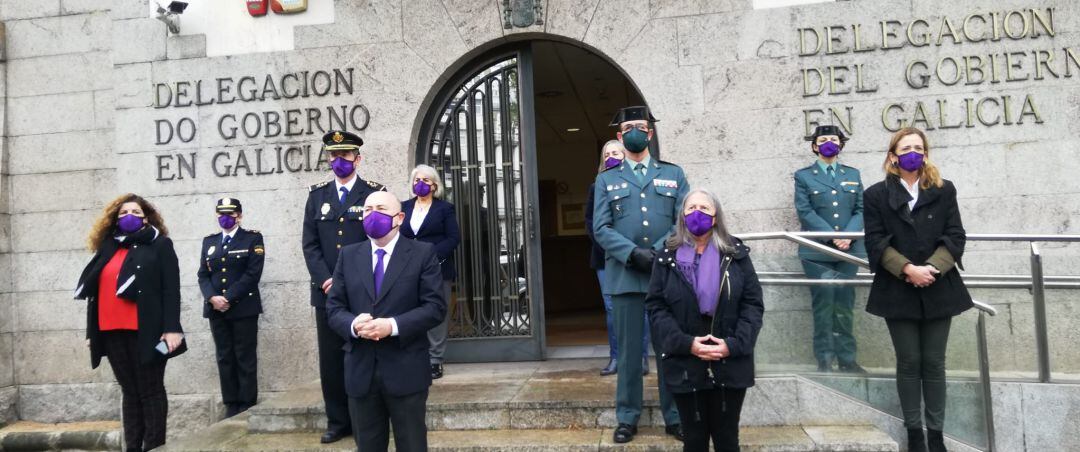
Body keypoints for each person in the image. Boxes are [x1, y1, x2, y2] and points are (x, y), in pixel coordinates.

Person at [863, 127, 972, 452]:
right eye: (906, 147)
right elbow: (875, 241)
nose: (913, 152)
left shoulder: (944, 189)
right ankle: (915, 434)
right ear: (893, 155)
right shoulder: (875, 195)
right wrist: (908, 269)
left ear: (926, 153)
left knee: (935, 362)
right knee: (909, 361)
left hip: (940, 287)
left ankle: (936, 435)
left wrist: (934, 268)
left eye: (918, 147)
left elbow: (956, 236)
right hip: (898, 289)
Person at [325, 191, 446, 452]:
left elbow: (435, 307)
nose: (372, 214)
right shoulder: (348, 256)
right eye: (367, 210)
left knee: (412, 445)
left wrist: (391, 326)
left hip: (406, 370)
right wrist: (354, 325)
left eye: (380, 208)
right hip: (361, 372)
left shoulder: (422, 253)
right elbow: (334, 308)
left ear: (399, 217)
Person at [593, 106, 687, 443]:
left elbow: (684, 220)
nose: (635, 132)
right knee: (630, 354)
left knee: (669, 350)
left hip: (667, 275)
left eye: (641, 127)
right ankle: (627, 417)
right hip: (626, 277)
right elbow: (600, 228)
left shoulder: (673, 174)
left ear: (650, 133)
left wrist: (659, 251)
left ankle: (675, 416)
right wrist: (632, 253)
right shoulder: (607, 179)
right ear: (620, 136)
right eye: (628, 127)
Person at [646, 189, 764, 452]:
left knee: (727, 440)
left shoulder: (736, 254)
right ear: (682, 216)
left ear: (715, 217)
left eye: (704, 207)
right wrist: (685, 343)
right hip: (685, 361)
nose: (696, 212)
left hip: (730, 361)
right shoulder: (666, 256)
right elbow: (656, 307)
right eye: (690, 208)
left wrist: (733, 345)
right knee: (694, 440)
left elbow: (753, 305)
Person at [75, 193, 186, 452]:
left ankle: (155, 447)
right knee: (130, 391)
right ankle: (133, 447)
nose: (129, 217)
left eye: (136, 212)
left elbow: (171, 289)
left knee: (150, 390)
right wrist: (93, 332)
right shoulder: (108, 246)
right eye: (124, 213)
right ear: (115, 219)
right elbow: (96, 292)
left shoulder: (160, 245)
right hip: (110, 330)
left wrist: (172, 329)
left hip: (146, 330)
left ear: (146, 218)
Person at [302, 130, 386, 444]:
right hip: (326, 293)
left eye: (345, 155)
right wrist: (326, 280)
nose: (339, 161)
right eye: (333, 156)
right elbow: (310, 245)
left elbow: (379, 240)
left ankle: (365, 418)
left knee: (364, 358)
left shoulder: (374, 194)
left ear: (358, 159)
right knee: (332, 360)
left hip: (363, 292)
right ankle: (338, 421)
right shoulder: (316, 196)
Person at [793, 125, 867, 373]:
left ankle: (847, 358)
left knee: (845, 304)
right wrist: (834, 237)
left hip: (850, 251)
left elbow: (861, 210)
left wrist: (847, 237)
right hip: (818, 253)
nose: (828, 144)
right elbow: (805, 211)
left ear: (841, 145)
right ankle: (824, 358)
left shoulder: (853, 174)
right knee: (824, 304)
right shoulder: (804, 176)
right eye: (823, 140)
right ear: (815, 146)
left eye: (833, 140)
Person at [586, 140, 650, 376]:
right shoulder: (597, 186)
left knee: (641, 308)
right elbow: (592, 223)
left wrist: (633, 252)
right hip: (606, 259)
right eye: (608, 154)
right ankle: (616, 358)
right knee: (613, 310)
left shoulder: (639, 185)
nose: (612, 156)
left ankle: (641, 358)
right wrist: (612, 248)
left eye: (616, 152)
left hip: (637, 257)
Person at [197, 197, 265, 418]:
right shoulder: (210, 242)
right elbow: (203, 275)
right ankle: (231, 402)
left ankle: (247, 402)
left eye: (231, 214)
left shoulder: (252, 239)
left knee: (244, 355)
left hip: (243, 308)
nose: (226, 218)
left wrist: (228, 298)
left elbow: (252, 274)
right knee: (224, 356)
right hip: (216, 310)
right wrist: (212, 297)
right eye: (221, 215)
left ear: (240, 216)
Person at [401, 164, 461, 379]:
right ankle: (415, 356)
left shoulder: (444, 209)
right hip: (407, 270)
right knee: (410, 311)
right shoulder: (403, 207)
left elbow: (453, 238)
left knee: (436, 312)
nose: (421, 184)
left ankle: (435, 359)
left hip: (437, 268)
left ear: (435, 185)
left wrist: (428, 256)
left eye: (426, 180)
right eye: (417, 180)